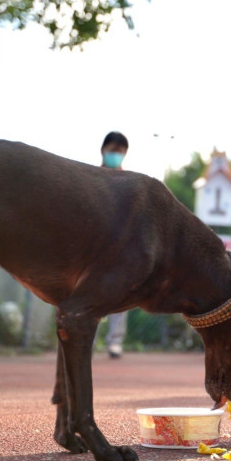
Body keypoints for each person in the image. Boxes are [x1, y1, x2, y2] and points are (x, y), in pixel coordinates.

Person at [99, 131, 130, 358]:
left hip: (118, 247)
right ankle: (84, 339)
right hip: (92, 246)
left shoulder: (127, 181)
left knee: (120, 298)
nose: (115, 155)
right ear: (103, 150)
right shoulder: (90, 176)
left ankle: (115, 342)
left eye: (120, 152)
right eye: (112, 151)